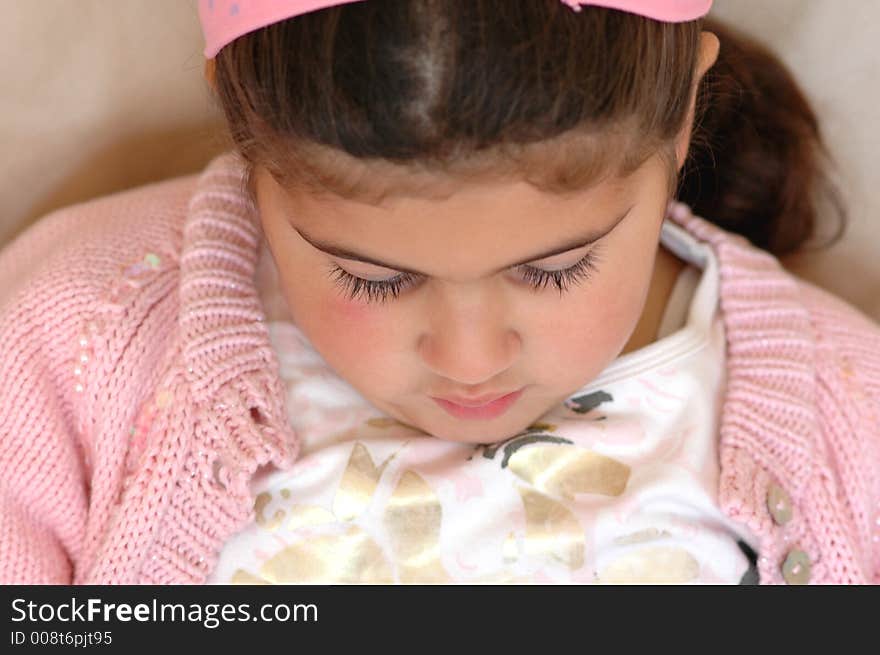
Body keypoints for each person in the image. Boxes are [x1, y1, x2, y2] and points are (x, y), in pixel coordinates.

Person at [0, 0, 877, 585]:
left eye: (553, 269)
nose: (469, 360)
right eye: (371, 277)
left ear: (684, 113)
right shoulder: (75, 338)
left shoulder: (850, 417)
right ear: (243, 128)